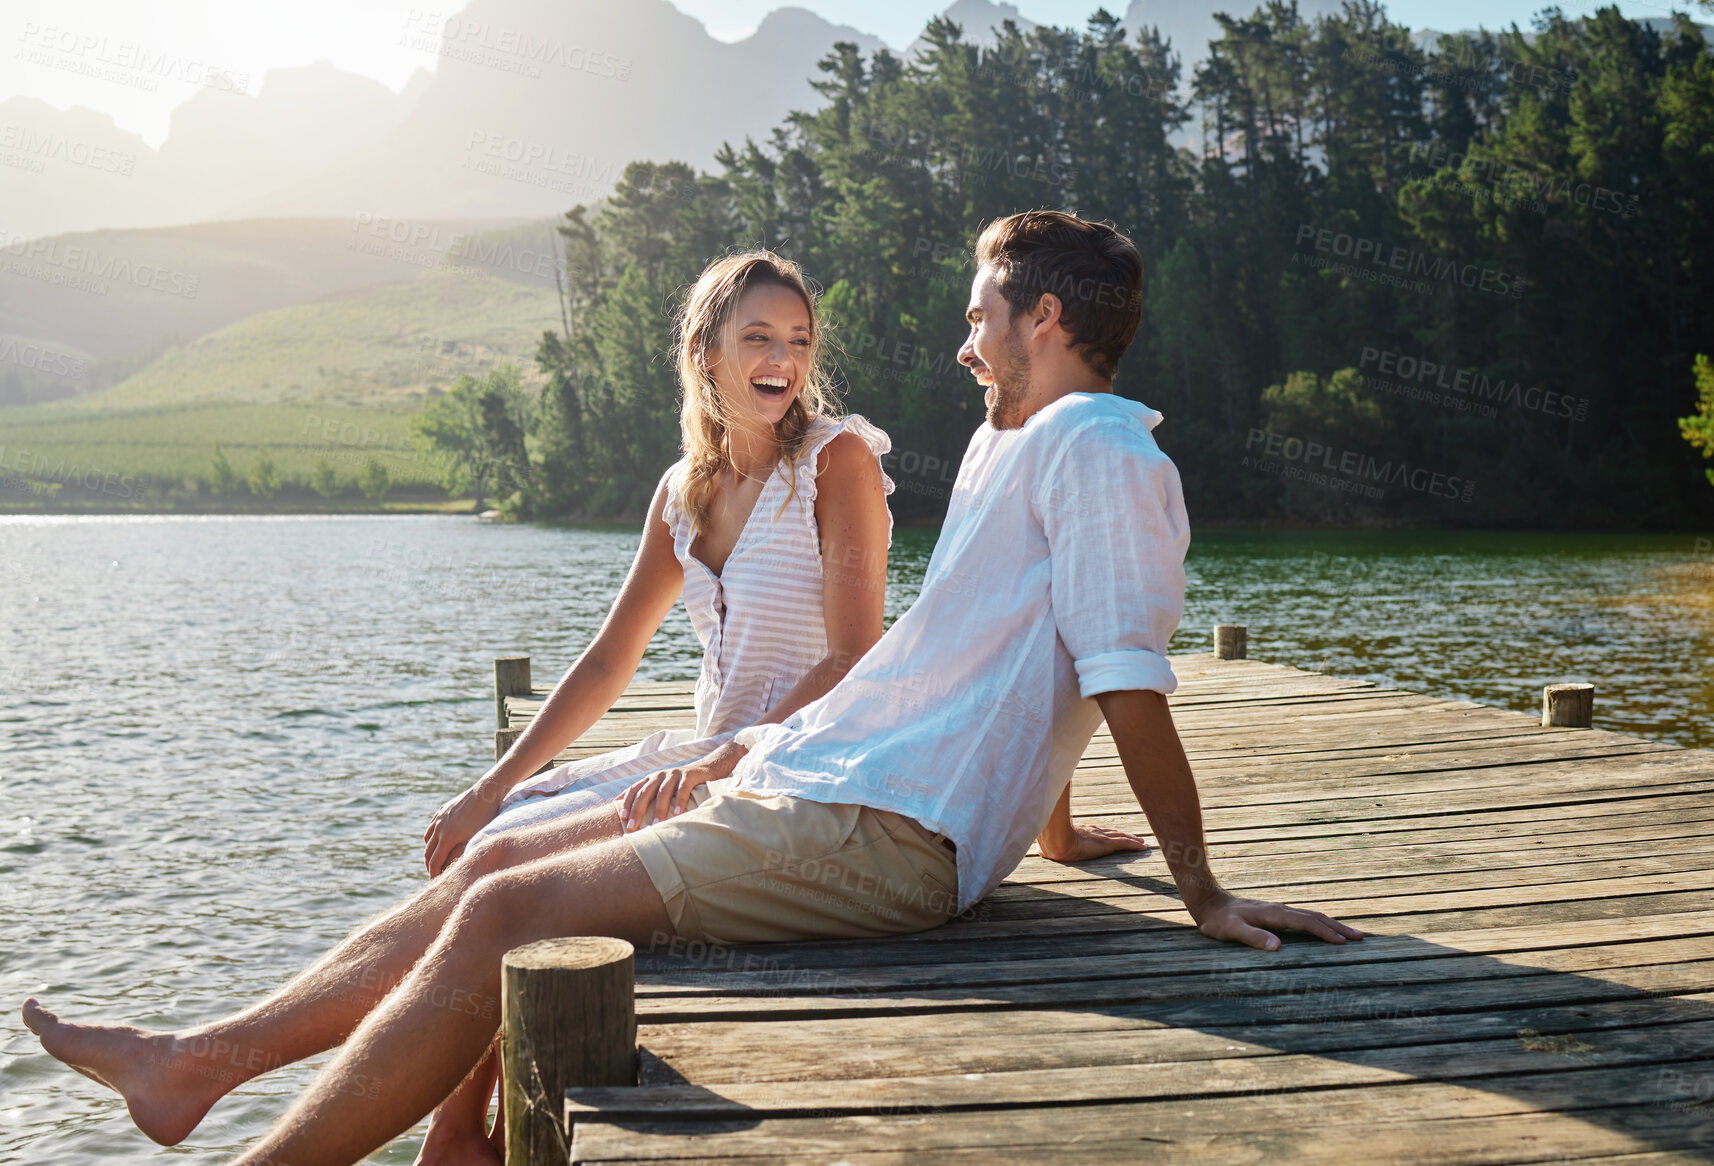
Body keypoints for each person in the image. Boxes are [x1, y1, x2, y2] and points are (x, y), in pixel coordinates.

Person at [22, 212, 1361, 1166]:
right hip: (837, 781)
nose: (964, 342)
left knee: (517, 898)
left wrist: (1199, 884)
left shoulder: (1097, 451)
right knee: (497, 872)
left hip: (888, 833)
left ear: (1043, 320)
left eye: (977, 317)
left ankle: (255, 1113)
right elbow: (993, 664)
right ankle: (205, 1067)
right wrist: (1050, 828)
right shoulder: (1019, 444)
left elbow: (1122, 672)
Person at [411, 248, 1142, 1162]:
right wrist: (493, 780)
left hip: (796, 761)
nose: (783, 359)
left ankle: (455, 1135)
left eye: (798, 340)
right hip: (705, 747)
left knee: (519, 870)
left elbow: (858, 654)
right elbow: (608, 663)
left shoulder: (834, 463)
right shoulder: (683, 490)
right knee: (492, 830)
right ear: (703, 350)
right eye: (758, 337)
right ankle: (456, 1126)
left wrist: (1054, 825)